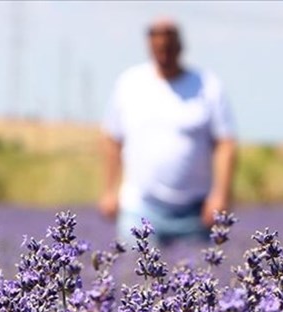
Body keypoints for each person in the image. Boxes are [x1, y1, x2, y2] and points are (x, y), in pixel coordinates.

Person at [101, 18, 237, 246]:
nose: (163, 53)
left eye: (168, 46)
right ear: (149, 47)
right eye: (157, 47)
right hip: (139, 205)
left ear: (180, 46)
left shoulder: (207, 85)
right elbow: (111, 139)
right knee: (134, 276)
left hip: (195, 209)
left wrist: (220, 194)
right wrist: (109, 190)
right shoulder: (130, 83)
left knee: (197, 276)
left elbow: (225, 144)